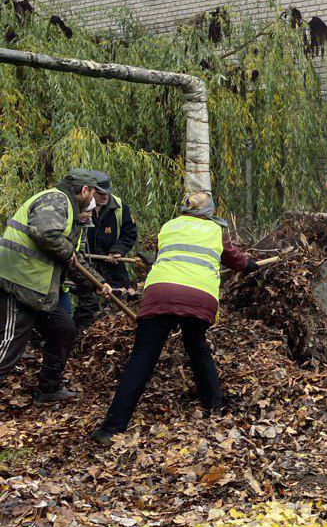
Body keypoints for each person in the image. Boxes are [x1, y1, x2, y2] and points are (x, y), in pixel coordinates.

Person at [93, 190, 257, 444]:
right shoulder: (216, 232)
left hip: (160, 293)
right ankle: (215, 408)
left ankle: (111, 428)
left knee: (142, 359)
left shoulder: (168, 226)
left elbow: (162, 256)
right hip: (199, 297)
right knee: (197, 349)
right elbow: (236, 260)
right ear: (209, 212)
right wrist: (251, 265)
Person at [0, 169, 110, 403]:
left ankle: (49, 390)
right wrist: (68, 251)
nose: (93, 198)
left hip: (38, 289)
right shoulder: (56, 199)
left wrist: (98, 283)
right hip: (17, 281)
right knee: (10, 345)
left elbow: (72, 260)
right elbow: (44, 234)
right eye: (92, 192)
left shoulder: (70, 214)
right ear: (83, 190)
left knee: (63, 329)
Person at [71, 171, 139, 329]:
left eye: (107, 193)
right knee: (87, 304)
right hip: (87, 264)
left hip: (113, 266)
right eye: (100, 194)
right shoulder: (81, 208)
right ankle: (80, 336)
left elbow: (130, 233)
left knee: (118, 301)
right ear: (90, 192)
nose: (104, 197)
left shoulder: (119, 206)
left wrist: (118, 249)